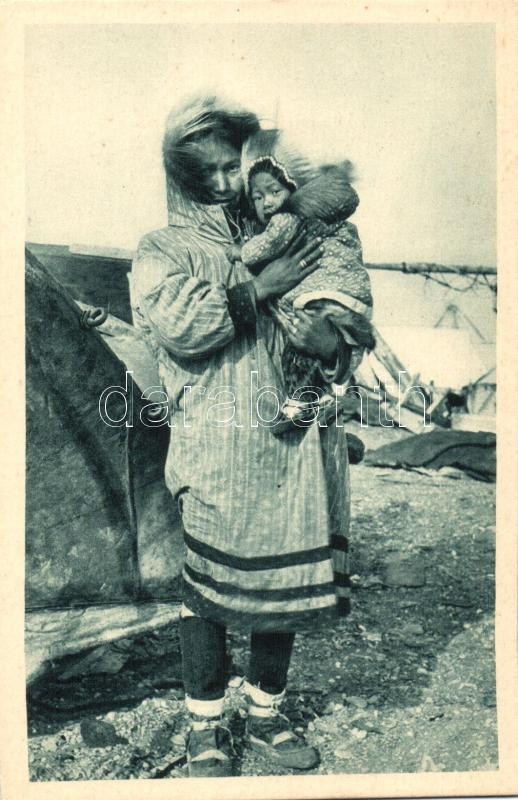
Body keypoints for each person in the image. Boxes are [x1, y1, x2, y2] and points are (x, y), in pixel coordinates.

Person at [130, 95, 366, 778]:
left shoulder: (289, 228)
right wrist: (255, 289)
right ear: (184, 178)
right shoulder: (165, 248)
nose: (228, 183)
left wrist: (333, 343)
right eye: (208, 173)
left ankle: (265, 712)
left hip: (293, 444)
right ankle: (205, 723)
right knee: (206, 588)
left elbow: (341, 304)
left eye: (235, 165)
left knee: (285, 581)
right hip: (218, 443)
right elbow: (179, 327)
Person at [231, 129, 375, 425]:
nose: (267, 202)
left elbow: (265, 245)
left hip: (321, 298)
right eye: (258, 197)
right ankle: (311, 401)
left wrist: (240, 252)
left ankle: (305, 403)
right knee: (302, 356)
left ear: (294, 190)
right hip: (344, 298)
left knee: (299, 354)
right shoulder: (307, 220)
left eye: (274, 192)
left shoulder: (287, 219)